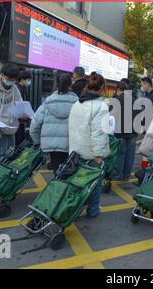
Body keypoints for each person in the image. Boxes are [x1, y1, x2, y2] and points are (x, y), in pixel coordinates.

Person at [69, 73, 110, 218]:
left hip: (75, 151)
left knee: (78, 184)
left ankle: (75, 209)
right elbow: (99, 133)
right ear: (102, 87)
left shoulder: (77, 104)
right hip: (91, 154)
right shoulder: (101, 107)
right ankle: (92, 211)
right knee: (94, 184)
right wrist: (98, 155)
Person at [30, 75, 78, 173]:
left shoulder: (47, 103)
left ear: (56, 85)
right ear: (70, 85)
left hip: (52, 147)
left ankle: (56, 186)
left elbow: (34, 126)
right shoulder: (77, 104)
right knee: (70, 174)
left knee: (56, 172)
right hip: (71, 145)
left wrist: (38, 142)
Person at [114, 81, 140, 183]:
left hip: (120, 132)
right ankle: (126, 175)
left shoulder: (117, 100)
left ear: (118, 89)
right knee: (130, 155)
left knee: (120, 155)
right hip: (133, 132)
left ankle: (118, 176)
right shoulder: (134, 100)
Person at [15, 69, 32, 146]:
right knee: (18, 141)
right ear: (22, 80)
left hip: (21, 120)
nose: (29, 82)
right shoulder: (18, 90)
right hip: (18, 121)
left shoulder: (23, 89)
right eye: (28, 80)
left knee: (20, 141)